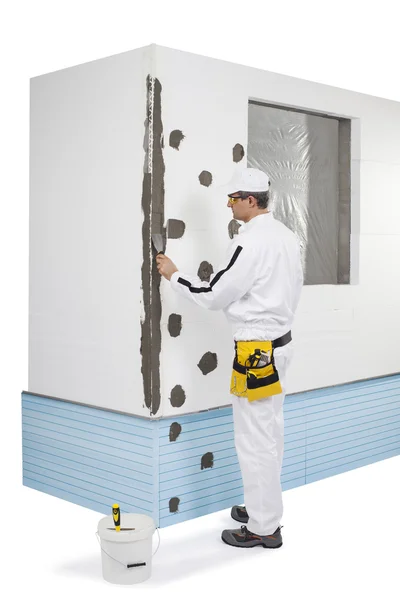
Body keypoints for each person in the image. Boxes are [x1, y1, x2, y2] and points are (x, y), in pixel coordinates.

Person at [157, 167, 303, 549]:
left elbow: (215, 293)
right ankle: (263, 507)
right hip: (279, 346)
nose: (228, 204)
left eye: (233, 198)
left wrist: (174, 275)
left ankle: (263, 527)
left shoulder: (249, 243)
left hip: (256, 352)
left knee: (254, 439)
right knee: (269, 432)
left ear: (250, 201)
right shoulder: (286, 236)